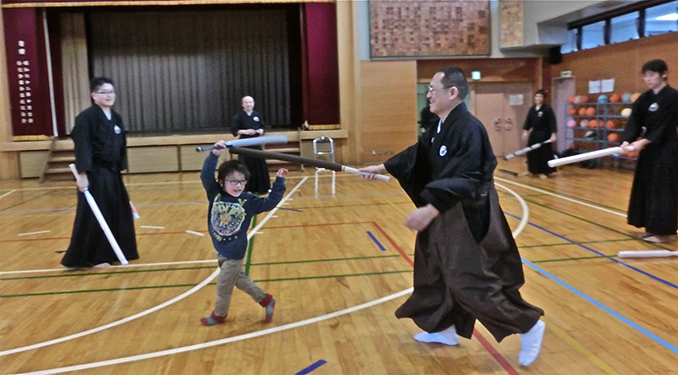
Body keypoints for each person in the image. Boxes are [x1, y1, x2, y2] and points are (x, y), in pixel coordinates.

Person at [360, 67, 545, 366]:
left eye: (433, 88)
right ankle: (444, 328)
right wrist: (381, 168)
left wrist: (430, 208)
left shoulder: (469, 128)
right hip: (443, 209)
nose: (429, 93)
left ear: (453, 92)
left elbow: (469, 177)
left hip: (465, 213)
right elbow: (417, 155)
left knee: (466, 279)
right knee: (434, 270)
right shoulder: (440, 126)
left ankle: (528, 325)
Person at [199, 140, 286, 326]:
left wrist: (279, 184)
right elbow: (206, 175)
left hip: (235, 252)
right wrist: (214, 155)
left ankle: (219, 314)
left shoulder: (248, 200)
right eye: (232, 181)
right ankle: (266, 300)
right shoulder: (215, 193)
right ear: (221, 182)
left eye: (241, 181)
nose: (238, 186)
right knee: (239, 280)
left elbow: (268, 203)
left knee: (223, 285)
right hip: (220, 247)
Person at [62, 77, 138, 269]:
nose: (109, 95)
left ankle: (119, 251)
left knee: (118, 211)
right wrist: (83, 174)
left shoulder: (116, 117)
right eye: (104, 92)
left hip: (111, 173)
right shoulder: (86, 118)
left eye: (111, 91)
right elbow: (83, 146)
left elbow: (120, 145)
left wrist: (120, 167)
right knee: (97, 215)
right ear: (94, 95)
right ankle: (95, 257)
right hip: (95, 172)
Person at [620, 59, 678, 244]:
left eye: (652, 74)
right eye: (645, 75)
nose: (648, 79)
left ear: (663, 74)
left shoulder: (673, 97)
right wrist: (627, 140)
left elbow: (667, 124)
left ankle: (663, 232)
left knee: (662, 190)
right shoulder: (644, 98)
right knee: (646, 186)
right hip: (649, 150)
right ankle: (649, 227)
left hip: (666, 148)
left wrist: (644, 141)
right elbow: (635, 121)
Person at [230, 96, 270, 195]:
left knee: (259, 165)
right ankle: (247, 189)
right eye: (246, 102)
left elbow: (263, 126)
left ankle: (262, 188)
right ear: (243, 104)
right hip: (244, 144)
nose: (248, 104)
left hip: (256, 143)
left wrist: (261, 130)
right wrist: (246, 131)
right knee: (246, 165)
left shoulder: (257, 115)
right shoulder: (238, 116)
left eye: (250, 102)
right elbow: (234, 130)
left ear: (253, 104)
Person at [522, 90, 557, 179]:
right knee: (532, 152)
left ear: (544, 99)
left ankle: (545, 171)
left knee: (544, 153)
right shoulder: (532, 109)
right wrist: (525, 131)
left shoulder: (547, 109)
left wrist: (553, 134)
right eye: (537, 96)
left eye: (540, 97)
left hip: (544, 134)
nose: (538, 98)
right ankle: (533, 170)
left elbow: (552, 122)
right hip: (534, 134)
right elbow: (528, 122)